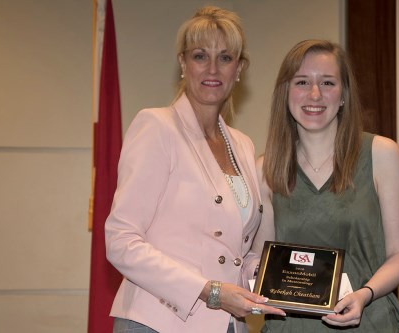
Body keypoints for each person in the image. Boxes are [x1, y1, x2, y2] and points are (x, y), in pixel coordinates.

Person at [105, 6, 285, 333]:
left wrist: (284, 283)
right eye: (201, 56)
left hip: (228, 325)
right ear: (183, 64)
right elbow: (121, 241)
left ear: (240, 68)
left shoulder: (242, 145)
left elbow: (235, 255)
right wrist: (211, 292)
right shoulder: (157, 126)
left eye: (226, 58)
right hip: (157, 322)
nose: (212, 68)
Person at [255, 39, 399, 332]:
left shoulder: (382, 154)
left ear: (344, 95)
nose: (315, 94)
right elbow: (260, 257)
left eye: (328, 83)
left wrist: (364, 295)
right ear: (285, 93)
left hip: (367, 322)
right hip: (290, 327)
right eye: (302, 81)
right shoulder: (265, 168)